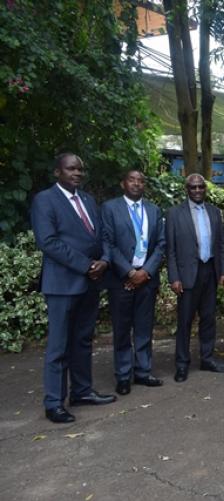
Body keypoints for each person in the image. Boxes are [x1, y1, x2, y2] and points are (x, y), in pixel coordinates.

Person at [31, 153, 116, 423]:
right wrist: (85, 265)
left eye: (80, 169)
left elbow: (102, 235)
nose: (77, 173)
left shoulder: (89, 200)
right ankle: (54, 402)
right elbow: (48, 241)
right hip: (63, 284)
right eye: (71, 169)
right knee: (58, 345)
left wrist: (104, 260)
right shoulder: (45, 200)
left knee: (82, 340)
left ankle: (81, 391)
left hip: (90, 283)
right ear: (58, 172)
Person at [101, 170, 166, 396]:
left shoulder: (154, 210)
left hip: (147, 279)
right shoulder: (110, 208)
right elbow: (107, 243)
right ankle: (123, 375)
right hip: (121, 279)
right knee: (121, 329)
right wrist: (129, 272)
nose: (137, 184)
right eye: (132, 180)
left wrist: (145, 272)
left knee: (144, 328)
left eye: (140, 181)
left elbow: (161, 245)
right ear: (123, 183)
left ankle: (143, 371)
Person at [166, 174, 224, 382]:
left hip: (209, 272)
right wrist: (174, 277)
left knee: (209, 319)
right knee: (185, 321)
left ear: (205, 189)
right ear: (187, 189)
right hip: (186, 276)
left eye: (201, 187)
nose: (197, 191)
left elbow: (220, 245)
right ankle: (182, 364)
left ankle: (207, 358)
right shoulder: (175, 214)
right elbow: (171, 250)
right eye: (193, 187)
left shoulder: (214, 212)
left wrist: (222, 273)